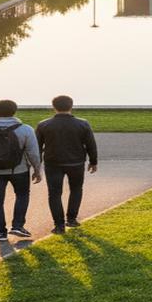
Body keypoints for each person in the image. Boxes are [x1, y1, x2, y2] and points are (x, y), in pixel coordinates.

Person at [0, 99, 42, 242]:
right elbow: (33, 153)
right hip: (19, 170)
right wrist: (37, 169)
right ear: (15, 111)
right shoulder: (26, 129)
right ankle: (17, 225)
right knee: (22, 195)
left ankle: (0, 233)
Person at [36, 95, 98, 234]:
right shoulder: (83, 124)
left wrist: (36, 166)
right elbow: (91, 144)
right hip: (76, 163)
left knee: (54, 194)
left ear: (53, 107)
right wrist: (93, 161)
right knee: (76, 190)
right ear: (71, 106)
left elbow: (37, 148)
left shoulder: (43, 125)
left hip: (53, 163)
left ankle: (59, 225)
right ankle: (72, 219)